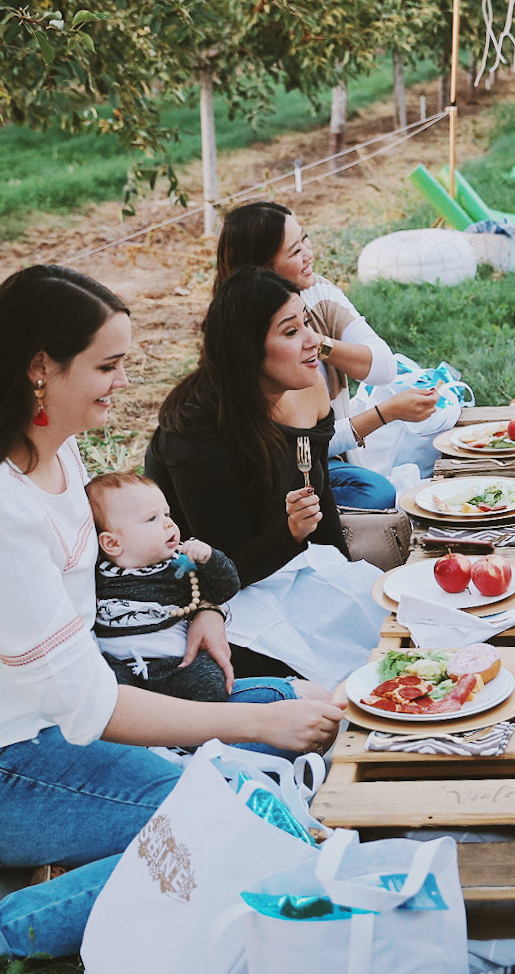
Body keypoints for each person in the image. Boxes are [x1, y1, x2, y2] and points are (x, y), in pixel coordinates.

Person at [0, 265, 342, 974]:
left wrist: (203, 603)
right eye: (106, 366)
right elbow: (88, 704)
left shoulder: (51, 442)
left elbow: (109, 573)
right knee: (243, 825)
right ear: (39, 370)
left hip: (57, 724)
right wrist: (254, 729)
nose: (120, 383)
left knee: (294, 699)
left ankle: (82, 851)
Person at [146, 267, 386, 685]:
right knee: (327, 677)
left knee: (381, 621)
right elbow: (222, 569)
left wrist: (342, 574)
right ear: (247, 351)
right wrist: (291, 533)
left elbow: (320, 494)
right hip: (216, 597)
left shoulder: (309, 387)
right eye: (291, 332)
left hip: (291, 565)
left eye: (307, 323)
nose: (314, 341)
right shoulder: (199, 433)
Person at [213, 200, 436, 509]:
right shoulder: (243, 338)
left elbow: (383, 368)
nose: (309, 253)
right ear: (260, 271)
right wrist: (386, 413)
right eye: (294, 251)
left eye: (305, 239)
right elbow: (297, 446)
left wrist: (315, 341)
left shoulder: (317, 292)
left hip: (321, 455)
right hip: (281, 469)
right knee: (375, 491)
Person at [87, 471, 240, 703]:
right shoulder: (93, 573)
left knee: (209, 681)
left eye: (167, 514)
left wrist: (210, 559)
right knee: (106, 696)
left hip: (173, 663)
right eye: (152, 519)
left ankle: (194, 735)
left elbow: (225, 589)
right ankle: (143, 736)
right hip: (116, 665)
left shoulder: (178, 567)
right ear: (112, 543)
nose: (169, 523)